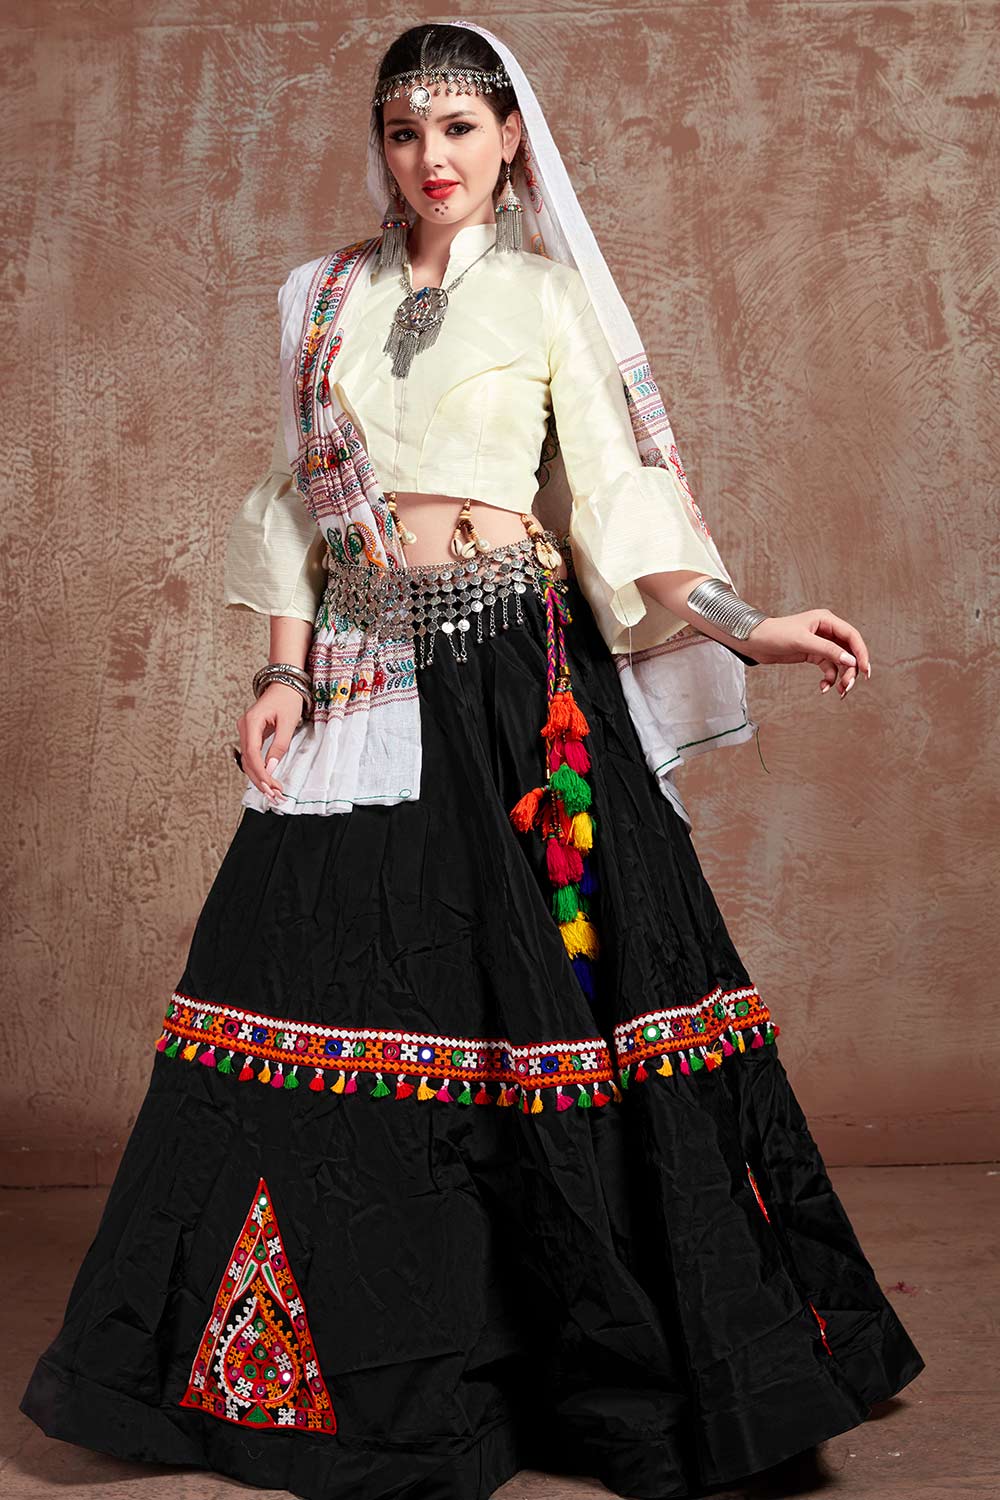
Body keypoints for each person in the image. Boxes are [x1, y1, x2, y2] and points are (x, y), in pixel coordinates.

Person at [19, 20, 924, 1500]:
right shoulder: (323, 298)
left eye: (457, 127)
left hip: (518, 683)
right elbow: (295, 503)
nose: (429, 158)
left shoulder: (546, 296)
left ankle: (599, 1356)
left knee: (548, 998)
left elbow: (615, 498)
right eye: (403, 131)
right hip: (367, 668)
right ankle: (370, 1349)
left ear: (510, 139)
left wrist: (748, 626)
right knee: (332, 976)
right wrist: (280, 670)